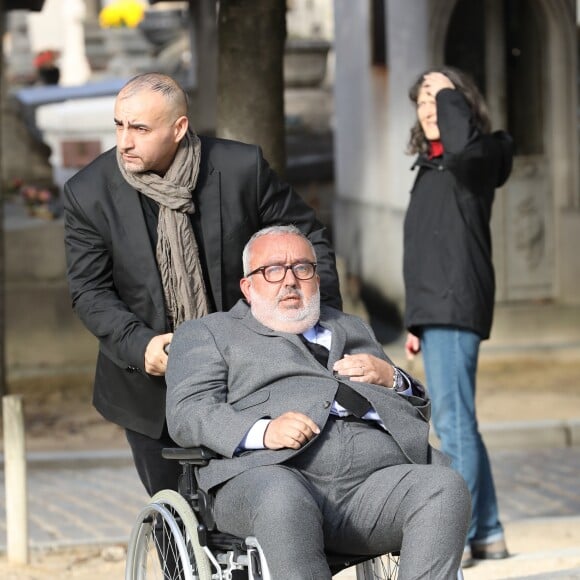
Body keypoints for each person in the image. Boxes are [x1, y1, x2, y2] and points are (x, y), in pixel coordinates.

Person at [63, 72, 342, 499]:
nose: (124, 141)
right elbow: (90, 291)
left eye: (139, 128)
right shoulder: (89, 192)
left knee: (265, 502)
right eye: (119, 125)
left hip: (253, 366)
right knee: (176, 515)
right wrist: (143, 346)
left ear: (178, 129)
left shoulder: (238, 170)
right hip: (151, 390)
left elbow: (309, 241)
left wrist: (314, 326)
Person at [165, 225, 470, 579]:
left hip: (371, 488)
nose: (290, 280)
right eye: (273, 270)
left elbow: (414, 411)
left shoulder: (351, 327)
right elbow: (188, 411)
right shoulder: (210, 333)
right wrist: (262, 431)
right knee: (283, 497)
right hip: (269, 478)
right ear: (247, 287)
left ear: (317, 280)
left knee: (444, 488)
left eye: (302, 268)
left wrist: (394, 379)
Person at [402, 66, 513, 567]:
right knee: (459, 422)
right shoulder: (432, 167)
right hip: (436, 309)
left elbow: (467, 149)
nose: (428, 107)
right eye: (422, 99)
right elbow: (428, 246)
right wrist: (415, 318)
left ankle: (460, 535)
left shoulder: (478, 157)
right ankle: (487, 531)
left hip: (456, 303)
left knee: (452, 425)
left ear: (460, 105)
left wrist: (448, 94)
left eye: (438, 97)